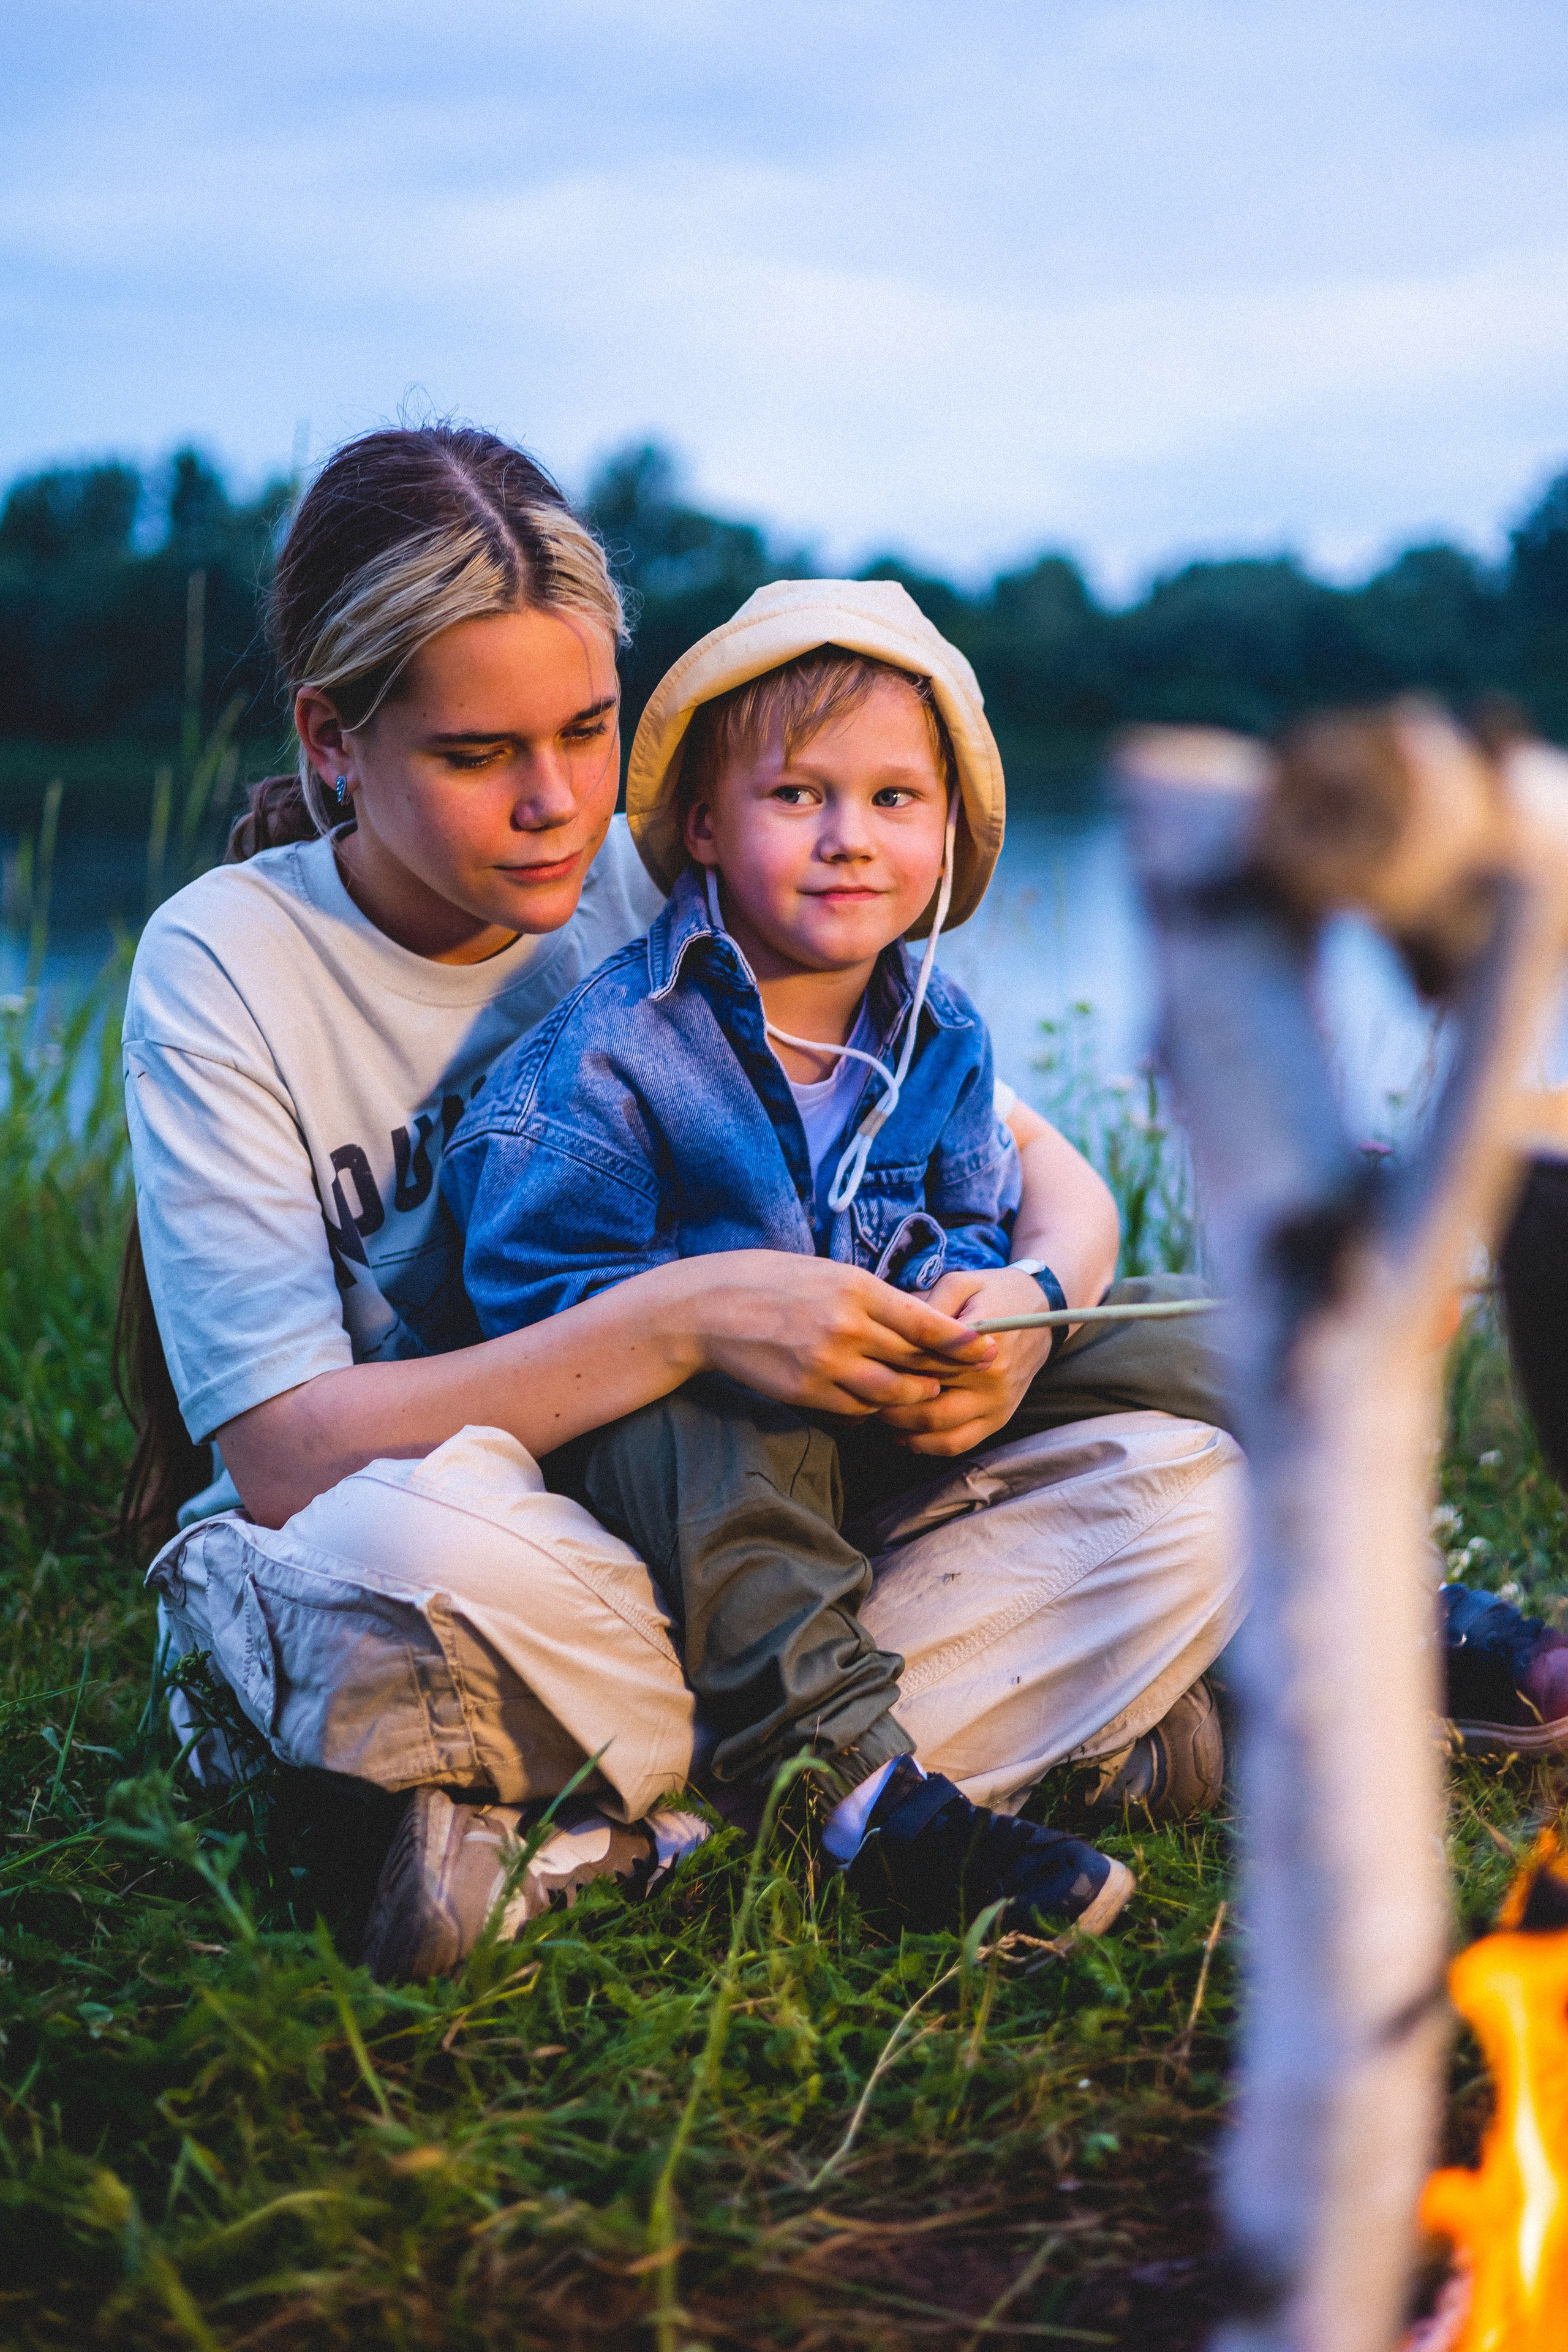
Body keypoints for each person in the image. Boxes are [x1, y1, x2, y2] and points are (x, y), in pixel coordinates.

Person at [121, 421, 1246, 1982]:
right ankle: (919, 1755)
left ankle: (604, 1829)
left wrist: (1023, 1306)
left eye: (589, 730)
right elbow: (282, 1454)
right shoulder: (222, 960)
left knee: (1196, 1475)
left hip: (750, 1520)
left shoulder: (667, 872)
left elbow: (1037, 1170)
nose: (557, 803)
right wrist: (684, 1320)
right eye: (476, 756)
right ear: (331, 741)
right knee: (420, 1563)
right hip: (483, 1526)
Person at [447, 583, 1135, 1935]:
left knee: (1181, 1341)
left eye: (892, 801)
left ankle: (1374, 1594)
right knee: (708, 1439)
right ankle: (862, 1795)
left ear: (945, 836)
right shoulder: (612, 1055)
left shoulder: (940, 1035)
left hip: (882, 1415)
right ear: (703, 824)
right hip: (682, 1455)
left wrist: (994, 1315)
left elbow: (977, 1216)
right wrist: (715, 1327)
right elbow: (533, 1317)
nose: (847, 840)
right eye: (796, 796)